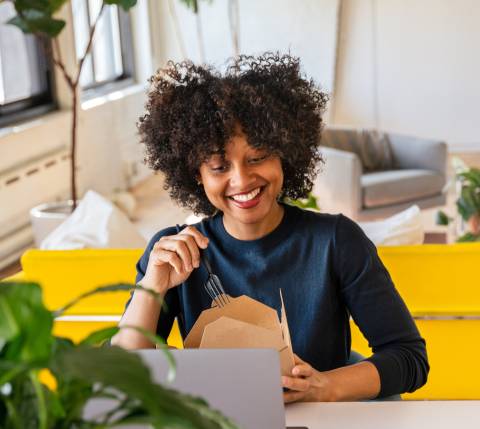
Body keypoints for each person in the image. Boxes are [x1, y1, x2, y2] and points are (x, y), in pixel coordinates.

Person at [111, 53, 429, 402]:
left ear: (285, 155)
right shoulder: (173, 252)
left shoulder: (336, 241)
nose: (242, 179)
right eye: (219, 166)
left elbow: (409, 357)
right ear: (196, 177)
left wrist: (325, 387)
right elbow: (125, 373)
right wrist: (153, 284)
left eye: (258, 157)